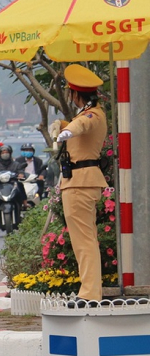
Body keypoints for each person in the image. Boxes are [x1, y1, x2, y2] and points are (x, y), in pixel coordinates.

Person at [55, 64, 108, 304]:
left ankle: (88, 295)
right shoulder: (89, 111)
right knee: (84, 241)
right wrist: (64, 126)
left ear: (76, 94)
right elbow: (76, 125)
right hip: (80, 182)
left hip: (80, 183)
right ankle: (90, 292)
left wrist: (67, 131)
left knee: (84, 241)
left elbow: (82, 125)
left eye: (71, 93)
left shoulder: (92, 114)